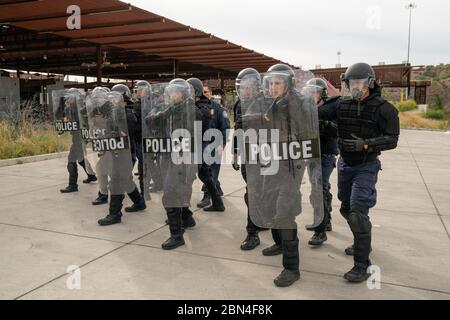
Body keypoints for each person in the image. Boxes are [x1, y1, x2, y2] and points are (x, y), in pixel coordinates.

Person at [319, 62, 400, 282]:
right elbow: (316, 112)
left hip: (366, 164)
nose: (355, 86)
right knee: (346, 209)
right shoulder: (340, 105)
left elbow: (393, 139)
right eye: (351, 82)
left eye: (359, 82)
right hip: (345, 164)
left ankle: (362, 266)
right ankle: (362, 240)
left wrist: (366, 144)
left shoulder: (384, 108)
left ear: (370, 83)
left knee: (357, 211)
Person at [243, 64, 319, 287]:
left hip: (291, 165)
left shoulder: (301, 103)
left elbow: (310, 138)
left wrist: (299, 160)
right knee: (268, 204)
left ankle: (291, 268)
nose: (273, 87)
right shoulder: (270, 102)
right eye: (271, 83)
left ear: (288, 83)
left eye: (278, 83)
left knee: (285, 212)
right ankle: (279, 243)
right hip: (272, 161)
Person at [86, 91, 147, 226]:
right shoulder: (112, 114)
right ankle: (139, 202)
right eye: (111, 98)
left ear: (123, 100)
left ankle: (114, 214)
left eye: (115, 98)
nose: (112, 100)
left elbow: (130, 132)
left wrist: (118, 132)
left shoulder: (128, 114)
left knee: (116, 182)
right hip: (116, 153)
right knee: (126, 180)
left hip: (126, 154)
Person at [303, 78, 340, 246]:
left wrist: (326, 125)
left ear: (322, 93)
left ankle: (320, 231)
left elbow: (339, 129)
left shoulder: (332, 107)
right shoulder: (306, 110)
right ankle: (327, 219)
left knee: (318, 190)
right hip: (311, 154)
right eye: (309, 92)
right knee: (320, 187)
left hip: (325, 155)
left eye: (315, 92)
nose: (312, 95)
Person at [232, 68, 265, 251]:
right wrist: (235, 152)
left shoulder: (265, 102)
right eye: (242, 87)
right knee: (251, 193)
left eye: (248, 87)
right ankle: (260, 220)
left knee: (254, 193)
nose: (245, 90)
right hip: (247, 153)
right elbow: (238, 129)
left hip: (263, 154)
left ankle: (252, 233)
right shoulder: (239, 104)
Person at [187, 78, 225, 212]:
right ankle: (218, 203)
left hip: (198, 147)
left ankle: (184, 214)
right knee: (205, 176)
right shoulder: (202, 107)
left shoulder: (200, 109)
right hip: (201, 147)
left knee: (187, 178)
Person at [55, 88, 97, 194]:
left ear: (75, 97)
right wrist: (62, 127)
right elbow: (64, 119)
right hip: (76, 136)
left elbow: (84, 123)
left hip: (80, 137)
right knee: (81, 158)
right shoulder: (69, 108)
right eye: (68, 96)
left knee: (71, 159)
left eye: (70, 96)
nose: (68, 98)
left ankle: (72, 185)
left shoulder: (82, 108)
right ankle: (91, 175)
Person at [197, 85, 230, 208]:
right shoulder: (196, 108)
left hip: (214, 144)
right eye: (201, 92)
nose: (203, 94)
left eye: (205, 92)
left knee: (211, 170)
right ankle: (217, 188)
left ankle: (207, 196)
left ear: (210, 93)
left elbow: (225, 127)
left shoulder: (218, 109)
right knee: (207, 171)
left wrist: (223, 144)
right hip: (201, 145)